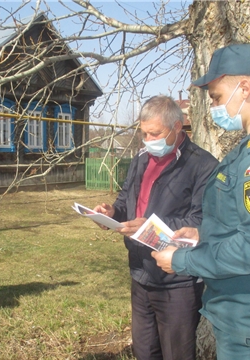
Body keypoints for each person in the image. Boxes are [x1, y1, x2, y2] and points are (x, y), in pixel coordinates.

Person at [151, 44, 250, 360]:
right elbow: (246, 220)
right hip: (241, 310)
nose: (213, 106)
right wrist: (202, 234)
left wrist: (183, 261)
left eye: (216, 97)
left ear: (245, 88)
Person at [93, 95, 218, 360]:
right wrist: (111, 213)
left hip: (177, 280)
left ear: (177, 127)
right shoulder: (141, 158)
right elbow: (126, 199)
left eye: (155, 133)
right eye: (144, 134)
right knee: (145, 350)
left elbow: (202, 221)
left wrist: (149, 225)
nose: (149, 140)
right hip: (140, 272)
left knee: (176, 353)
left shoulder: (202, 165)